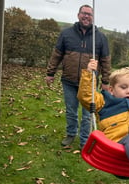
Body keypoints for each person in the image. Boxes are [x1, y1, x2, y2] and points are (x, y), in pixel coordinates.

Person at [46, 5, 111, 149]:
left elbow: (105, 60)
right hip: (68, 80)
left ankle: (84, 140)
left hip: (89, 82)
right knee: (71, 111)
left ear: (93, 17)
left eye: (89, 14)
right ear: (78, 15)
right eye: (84, 13)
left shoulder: (100, 38)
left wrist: (106, 81)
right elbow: (57, 55)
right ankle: (70, 134)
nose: (86, 16)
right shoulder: (66, 34)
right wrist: (50, 73)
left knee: (88, 114)